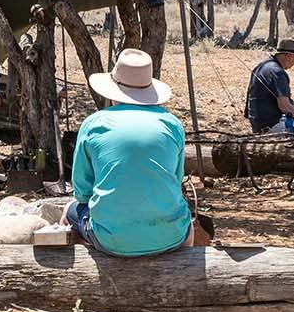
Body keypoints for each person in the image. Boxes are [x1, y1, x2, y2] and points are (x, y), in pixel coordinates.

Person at [66, 49, 197, 256]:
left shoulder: (93, 124)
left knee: (70, 211)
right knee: (187, 225)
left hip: (110, 239)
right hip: (171, 235)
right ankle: (182, 271)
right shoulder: (172, 124)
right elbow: (176, 179)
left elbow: (82, 192)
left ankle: (77, 270)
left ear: (113, 91)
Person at [244, 38, 294, 133]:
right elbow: (284, 106)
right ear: (288, 56)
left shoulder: (261, 66)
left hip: (257, 123)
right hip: (273, 124)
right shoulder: (277, 72)